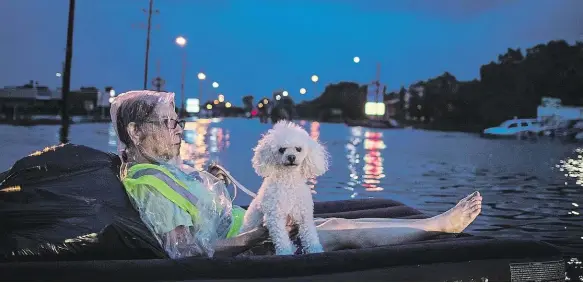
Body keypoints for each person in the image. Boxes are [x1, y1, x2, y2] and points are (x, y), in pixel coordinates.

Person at [110, 90, 483, 259]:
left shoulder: (159, 169)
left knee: (332, 219)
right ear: (136, 133)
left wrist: (209, 179)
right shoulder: (148, 184)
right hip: (244, 245)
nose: (178, 129)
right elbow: (185, 254)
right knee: (329, 233)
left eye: (177, 121)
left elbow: (194, 208)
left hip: (240, 227)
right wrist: (254, 237)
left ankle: (433, 225)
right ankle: (439, 227)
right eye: (167, 122)